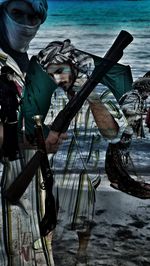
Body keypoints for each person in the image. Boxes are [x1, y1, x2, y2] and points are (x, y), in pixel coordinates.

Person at [20, 39, 128, 264]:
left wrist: (91, 97)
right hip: (57, 165)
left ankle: (82, 250)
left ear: (73, 65)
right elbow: (48, 128)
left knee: (83, 215)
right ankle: (46, 247)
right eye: (52, 74)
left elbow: (113, 134)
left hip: (87, 168)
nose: (58, 78)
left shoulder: (100, 92)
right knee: (48, 209)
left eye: (61, 70)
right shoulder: (57, 95)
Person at [0, 1, 67, 265]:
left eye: (35, 16)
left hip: (32, 203)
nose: (26, 23)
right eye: (17, 13)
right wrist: (36, 140)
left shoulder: (31, 69)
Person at [105, 72, 150, 199]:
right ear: (145, 88)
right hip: (122, 133)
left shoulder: (137, 97)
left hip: (124, 133)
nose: (149, 94)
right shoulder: (134, 96)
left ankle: (119, 180)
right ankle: (118, 181)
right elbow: (126, 112)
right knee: (117, 157)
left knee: (119, 158)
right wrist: (140, 114)